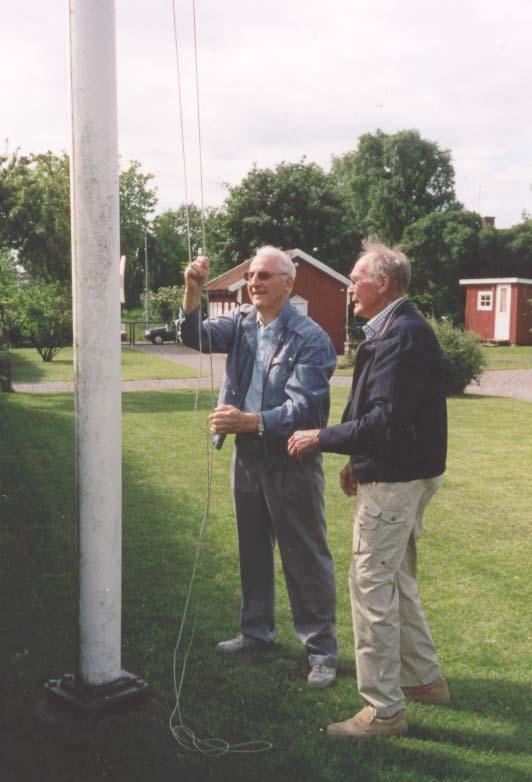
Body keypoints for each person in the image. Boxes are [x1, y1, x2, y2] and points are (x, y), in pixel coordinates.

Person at [288, 239, 449, 737]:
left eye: (356, 277)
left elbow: (384, 419)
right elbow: (383, 411)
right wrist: (359, 462)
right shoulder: (397, 330)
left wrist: (322, 437)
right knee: (396, 578)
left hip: (397, 481)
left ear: (383, 282)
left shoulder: (401, 336)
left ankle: (383, 710)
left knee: (371, 586)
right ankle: (423, 680)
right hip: (402, 473)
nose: (349, 286)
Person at [178, 246, 339, 688]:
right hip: (246, 456)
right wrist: (193, 290)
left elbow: (306, 409)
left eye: (265, 276)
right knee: (252, 548)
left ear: (289, 283)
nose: (254, 282)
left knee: (304, 555)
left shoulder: (310, 337)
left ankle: (322, 652)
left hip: (290, 457)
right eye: (251, 275)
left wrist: (249, 420)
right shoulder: (243, 323)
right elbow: (195, 336)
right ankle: (256, 633)